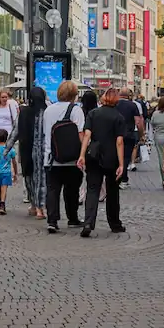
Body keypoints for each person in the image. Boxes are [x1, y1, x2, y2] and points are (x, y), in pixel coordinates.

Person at [78, 88, 127, 238]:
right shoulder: (118, 117)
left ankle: (88, 222)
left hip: (94, 155)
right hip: (111, 156)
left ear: (104, 98)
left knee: (92, 188)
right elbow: (119, 142)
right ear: (116, 100)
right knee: (113, 191)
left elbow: (87, 135)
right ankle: (115, 223)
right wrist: (121, 163)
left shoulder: (93, 114)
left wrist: (82, 155)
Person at [42, 80, 86, 233]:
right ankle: (72, 218)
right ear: (74, 94)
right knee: (71, 190)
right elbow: (81, 134)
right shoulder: (76, 110)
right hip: (72, 159)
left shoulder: (48, 110)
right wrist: (84, 154)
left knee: (52, 190)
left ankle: (52, 221)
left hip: (51, 157)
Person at [18, 87, 48, 218]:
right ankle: (40, 207)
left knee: (29, 178)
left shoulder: (24, 112)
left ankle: (36, 205)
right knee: (41, 179)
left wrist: (6, 149)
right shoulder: (46, 111)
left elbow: (15, 131)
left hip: (26, 149)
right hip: (42, 150)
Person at [114, 88, 144, 185]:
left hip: (115, 134)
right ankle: (123, 177)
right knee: (126, 156)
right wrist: (141, 134)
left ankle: (118, 175)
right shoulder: (132, 105)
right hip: (129, 134)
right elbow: (138, 122)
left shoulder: (114, 103)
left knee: (116, 155)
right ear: (129, 95)